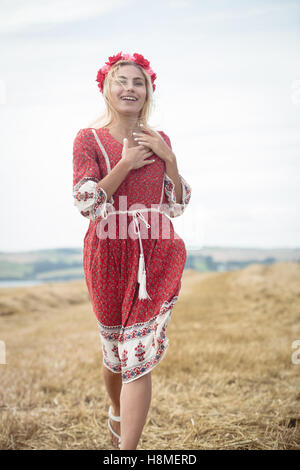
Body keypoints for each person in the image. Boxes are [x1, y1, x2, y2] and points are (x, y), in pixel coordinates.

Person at [72, 51, 192, 450]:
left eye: (138, 82)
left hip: (155, 253)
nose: (130, 88)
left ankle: (127, 454)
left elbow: (175, 205)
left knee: (137, 356)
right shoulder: (87, 139)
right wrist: (124, 163)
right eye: (121, 81)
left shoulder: (161, 140)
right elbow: (88, 203)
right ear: (106, 88)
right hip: (107, 255)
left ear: (148, 91)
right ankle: (117, 411)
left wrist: (169, 159)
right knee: (115, 357)